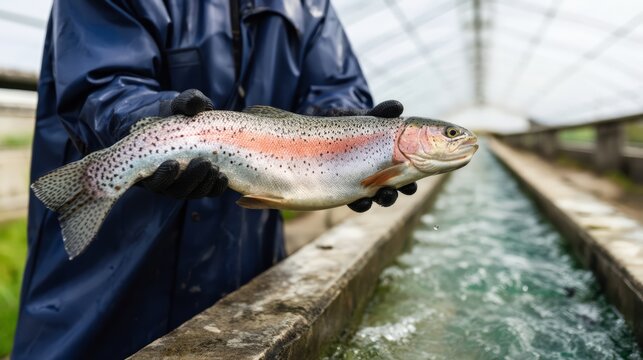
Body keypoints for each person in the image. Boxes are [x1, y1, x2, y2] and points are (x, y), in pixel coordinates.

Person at [13, 1, 416, 358]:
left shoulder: (309, 7)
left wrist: (344, 130)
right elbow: (99, 86)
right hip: (110, 274)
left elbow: (334, 88)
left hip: (243, 262)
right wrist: (154, 118)